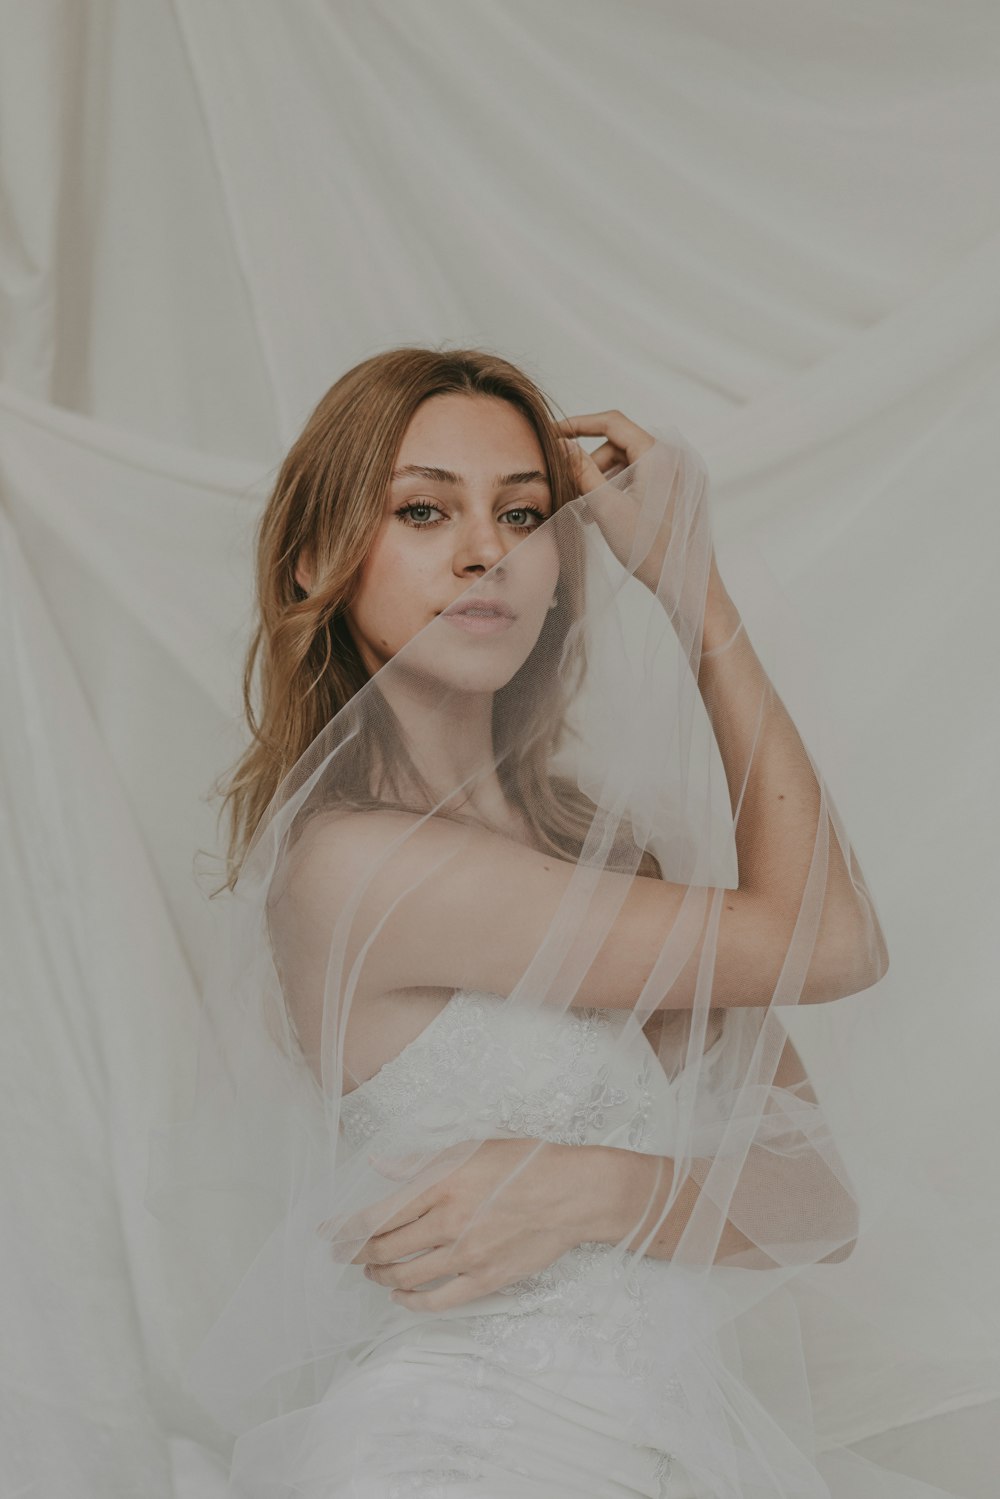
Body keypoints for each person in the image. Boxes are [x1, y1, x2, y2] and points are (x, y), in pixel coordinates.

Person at [149, 346, 963, 1498]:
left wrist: (598, 1188)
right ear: (316, 563)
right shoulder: (356, 862)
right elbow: (829, 942)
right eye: (424, 509)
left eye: (524, 513)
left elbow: (814, 1199)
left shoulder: (610, 864)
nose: (485, 549)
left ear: (560, 568)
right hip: (457, 1451)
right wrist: (696, 592)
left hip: (648, 1453)